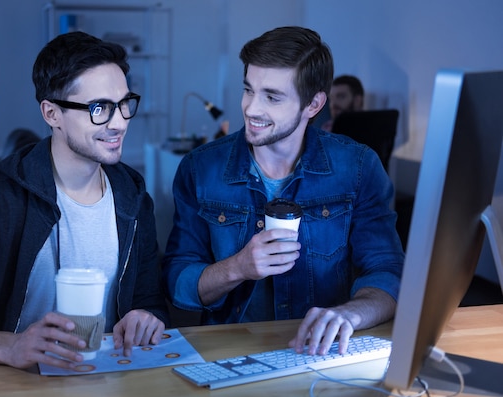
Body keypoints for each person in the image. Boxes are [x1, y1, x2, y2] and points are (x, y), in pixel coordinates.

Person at [0, 31, 169, 370]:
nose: (119, 123)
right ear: (52, 114)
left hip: (106, 382)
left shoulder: (132, 197)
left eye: (124, 104)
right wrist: (9, 347)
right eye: (99, 108)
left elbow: (149, 301)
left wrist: (145, 318)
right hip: (15, 389)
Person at [162, 26, 403, 356]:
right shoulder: (200, 168)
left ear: (314, 104)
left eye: (272, 97)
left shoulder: (358, 168)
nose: (250, 108)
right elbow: (177, 283)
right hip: (229, 356)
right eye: (248, 90)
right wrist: (238, 267)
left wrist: (350, 314)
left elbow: (388, 272)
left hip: (322, 354)